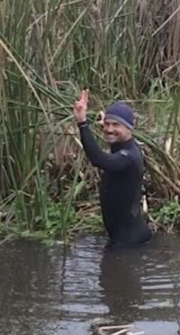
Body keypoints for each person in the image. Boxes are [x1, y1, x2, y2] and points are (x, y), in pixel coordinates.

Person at [74, 89, 151, 248]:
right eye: (107, 124)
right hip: (122, 235)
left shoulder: (129, 156)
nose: (109, 129)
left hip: (128, 240)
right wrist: (105, 123)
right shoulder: (124, 146)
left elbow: (99, 159)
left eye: (116, 125)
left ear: (129, 128)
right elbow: (113, 141)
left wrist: (82, 123)